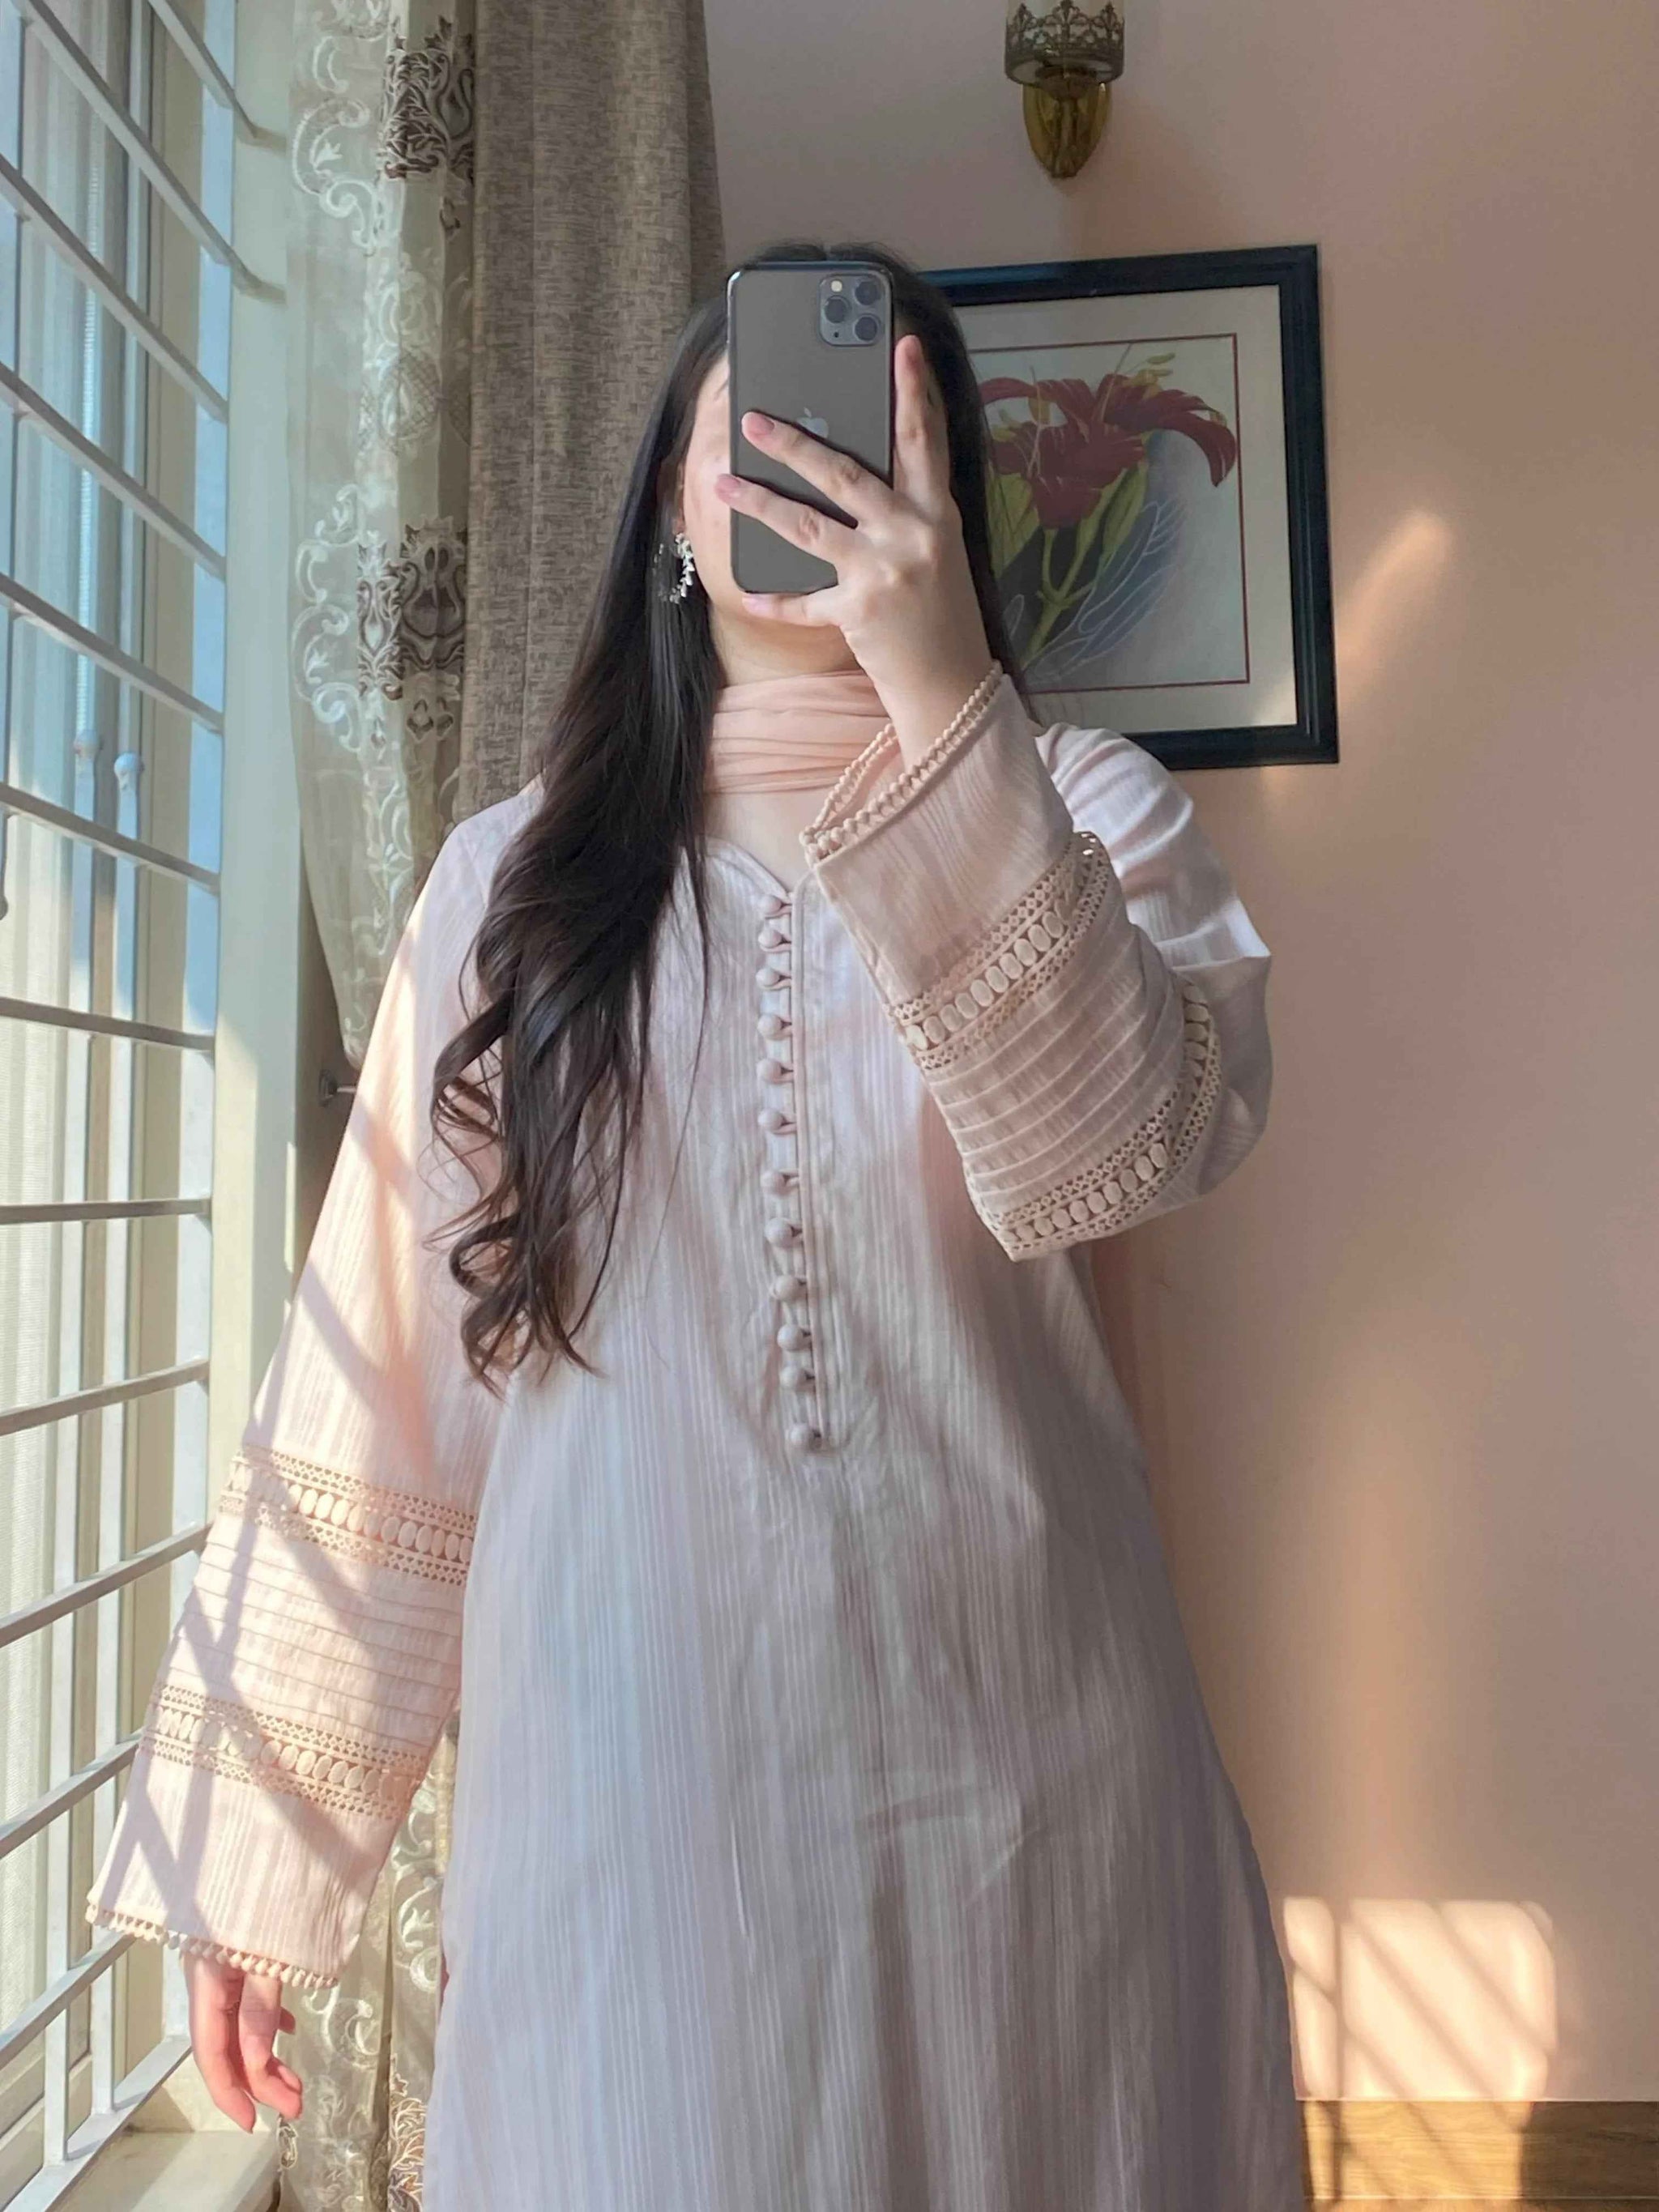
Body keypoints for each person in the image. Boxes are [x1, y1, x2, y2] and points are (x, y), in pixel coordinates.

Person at [86, 238, 1303, 2208]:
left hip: (1037, 1772)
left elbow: (1125, 1145)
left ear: (943, 498)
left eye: (870, 427)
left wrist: (942, 698)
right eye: (759, 422)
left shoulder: (1095, 809)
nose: (808, 461)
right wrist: (260, 1859)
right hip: (626, 1790)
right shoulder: (512, 886)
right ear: (670, 503)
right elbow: (386, 1379)